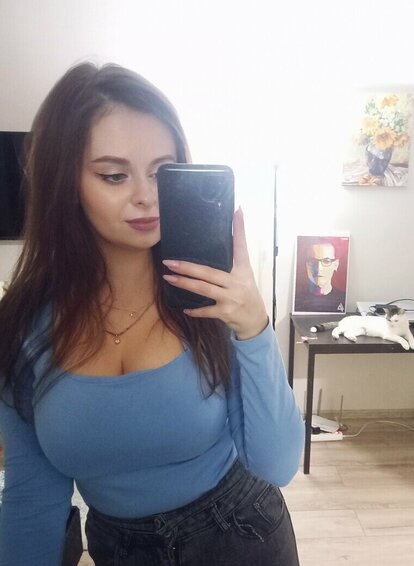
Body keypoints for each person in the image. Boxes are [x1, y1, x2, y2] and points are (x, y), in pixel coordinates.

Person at [0, 62, 304, 566]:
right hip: (119, 549)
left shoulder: (211, 295)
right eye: (114, 175)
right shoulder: (22, 327)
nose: (146, 196)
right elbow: (32, 497)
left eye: (164, 172)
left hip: (240, 532)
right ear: (64, 182)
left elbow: (277, 463)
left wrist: (254, 328)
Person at [294, 239, 346, 313]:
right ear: (306, 265)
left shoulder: (343, 300)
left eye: (326, 261)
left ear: (336, 264)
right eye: (313, 261)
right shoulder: (296, 301)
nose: (319, 268)